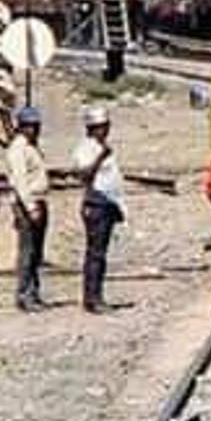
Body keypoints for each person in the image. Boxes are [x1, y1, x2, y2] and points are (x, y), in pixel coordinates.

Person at [72, 105, 126, 313]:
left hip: (107, 204)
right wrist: (100, 157)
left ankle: (96, 295)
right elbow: (84, 175)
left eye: (106, 126)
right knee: (95, 254)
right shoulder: (86, 149)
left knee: (100, 254)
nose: (105, 130)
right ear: (91, 128)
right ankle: (92, 298)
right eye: (100, 126)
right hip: (95, 204)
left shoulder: (102, 146)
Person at [6, 104, 50, 312]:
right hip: (28, 203)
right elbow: (20, 181)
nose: (34, 129)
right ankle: (24, 295)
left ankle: (34, 292)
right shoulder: (18, 149)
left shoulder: (32, 147)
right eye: (29, 125)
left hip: (39, 201)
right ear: (21, 127)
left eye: (36, 125)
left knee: (36, 252)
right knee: (27, 251)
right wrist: (31, 207)